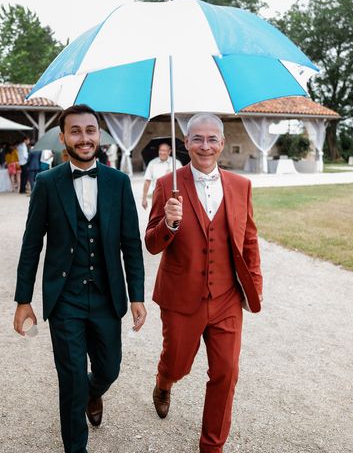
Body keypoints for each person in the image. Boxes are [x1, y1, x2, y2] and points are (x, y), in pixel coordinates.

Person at [13, 104, 146, 453]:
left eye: (90, 130)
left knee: (109, 369)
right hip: (65, 298)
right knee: (70, 379)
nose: (84, 137)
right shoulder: (46, 183)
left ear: (99, 134)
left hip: (107, 296)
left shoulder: (119, 182)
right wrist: (23, 300)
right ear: (63, 138)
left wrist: (136, 296)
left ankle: (92, 392)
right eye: (76, 131)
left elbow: (131, 243)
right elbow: (31, 245)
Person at [145, 113, 263, 453]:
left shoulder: (241, 186)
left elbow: (250, 240)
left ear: (222, 143)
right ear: (186, 143)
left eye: (212, 139)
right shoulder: (168, 184)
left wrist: (253, 284)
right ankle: (165, 380)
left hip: (226, 298)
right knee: (179, 363)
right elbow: (152, 244)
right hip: (181, 297)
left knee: (226, 372)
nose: (205, 146)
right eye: (197, 138)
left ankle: (212, 446)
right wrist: (168, 223)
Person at [141, 142, 182, 209]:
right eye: (160, 150)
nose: (162, 152)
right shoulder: (152, 163)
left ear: (169, 152)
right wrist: (144, 199)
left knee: (172, 217)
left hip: (172, 195)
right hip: (157, 194)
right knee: (156, 217)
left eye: (164, 150)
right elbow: (147, 181)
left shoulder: (176, 163)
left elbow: (182, 180)